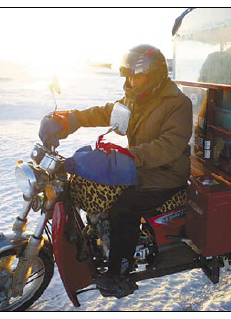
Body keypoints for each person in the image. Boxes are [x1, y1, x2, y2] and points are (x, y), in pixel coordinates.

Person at [38, 44, 193, 297]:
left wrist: (125, 158)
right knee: (93, 184)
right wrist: (73, 119)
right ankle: (99, 236)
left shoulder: (178, 104)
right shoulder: (138, 98)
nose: (132, 81)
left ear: (155, 75)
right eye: (129, 76)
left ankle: (119, 271)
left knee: (123, 208)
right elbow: (108, 112)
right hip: (140, 168)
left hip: (165, 174)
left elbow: (168, 147)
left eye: (137, 75)